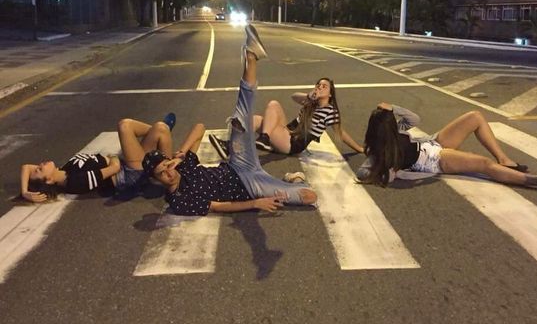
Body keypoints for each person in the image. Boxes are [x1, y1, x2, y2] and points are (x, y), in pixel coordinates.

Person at [142, 25, 317, 215]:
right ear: (157, 179)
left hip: (238, 164)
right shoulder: (178, 199)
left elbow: (200, 128)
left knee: (242, 116)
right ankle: (295, 179)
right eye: (162, 173)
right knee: (309, 197)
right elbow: (218, 207)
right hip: (251, 188)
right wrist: (256, 203)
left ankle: (251, 55)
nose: (168, 173)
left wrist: (180, 155)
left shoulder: (183, 167)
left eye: (166, 166)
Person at [356, 103, 537, 192]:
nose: (396, 119)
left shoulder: (396, 130)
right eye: (392, 118)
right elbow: (362, 172)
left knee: (475, 117)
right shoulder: (379, 153)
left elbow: (415, 119)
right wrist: (389, 172)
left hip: (433, 143)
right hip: (434, 159)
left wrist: (394, 107)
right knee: (483, 164)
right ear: (386, 128)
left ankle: (504, 160)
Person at [20, 113, 177, 203]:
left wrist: (25, 192)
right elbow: (113, 168)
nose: (40, 164)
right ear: (48, 180)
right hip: (129, 174)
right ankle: (172, 175)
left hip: (126, 165)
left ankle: (162, 139)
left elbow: (25, 167)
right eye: (40, 169)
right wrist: (113, 157)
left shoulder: (67, 168)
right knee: (125, 125)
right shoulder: (74, 181)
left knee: (160, 129)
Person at [251, 77, 363, 156]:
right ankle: (263, 139)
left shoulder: (330, 111)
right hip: (287, 132)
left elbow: (340, 133)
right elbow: (293, 96)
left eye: (324, 86)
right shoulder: (311, 102)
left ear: (330, 94)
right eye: (318, 85)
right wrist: (308, 96)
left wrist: (359, 149)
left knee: (263, 114)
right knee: (269, 108)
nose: (320, 87)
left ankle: (265, 138)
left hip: (292, 143)